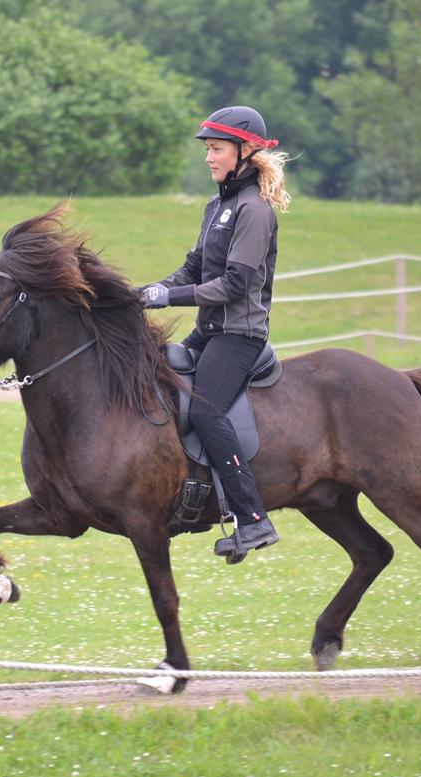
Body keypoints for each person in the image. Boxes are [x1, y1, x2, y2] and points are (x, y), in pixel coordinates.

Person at [141, 105, 291, 562]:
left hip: (239, 337)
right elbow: (192, 267)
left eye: (217, 149)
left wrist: (170, 299)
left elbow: (235, 285)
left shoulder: (254, 210)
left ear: (245, 152)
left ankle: (253, 520)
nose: (209, 158)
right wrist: (149, 290)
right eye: (208, 149)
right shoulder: (218, 205)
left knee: (206, 413)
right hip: (209, 333)